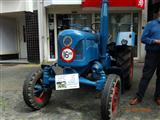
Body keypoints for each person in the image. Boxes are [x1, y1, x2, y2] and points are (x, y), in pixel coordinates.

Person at [129, 8, 160, 105]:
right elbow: (143, 39)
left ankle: (158, 97)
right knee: (146, 76)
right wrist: (155, 41)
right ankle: (139, 97)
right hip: (152, 54)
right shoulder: (151, 24)